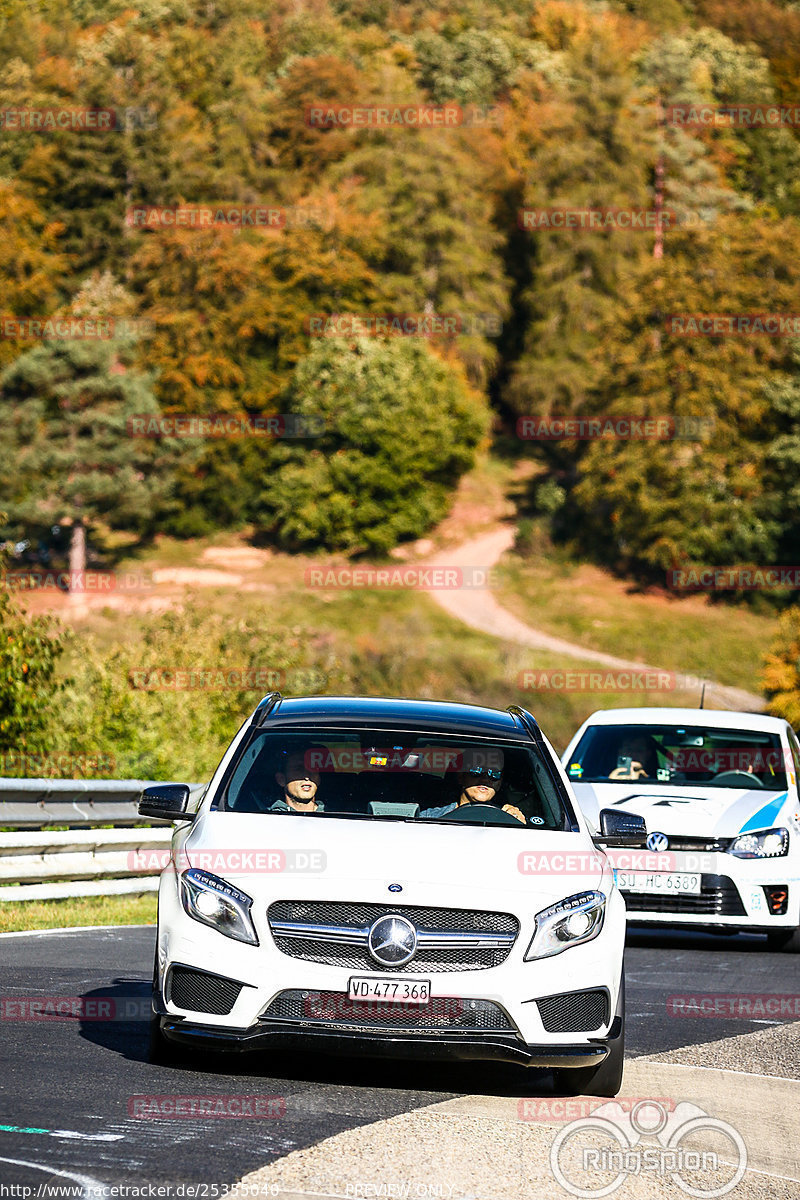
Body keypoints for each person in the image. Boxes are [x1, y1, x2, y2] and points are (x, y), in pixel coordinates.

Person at [420, 765, 526, 823]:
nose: (485, 779)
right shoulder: (429, 817)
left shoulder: (509, 818)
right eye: (476, 771)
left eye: (494, 774)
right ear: (461, 777)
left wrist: (517, 823)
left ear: (499, 784)